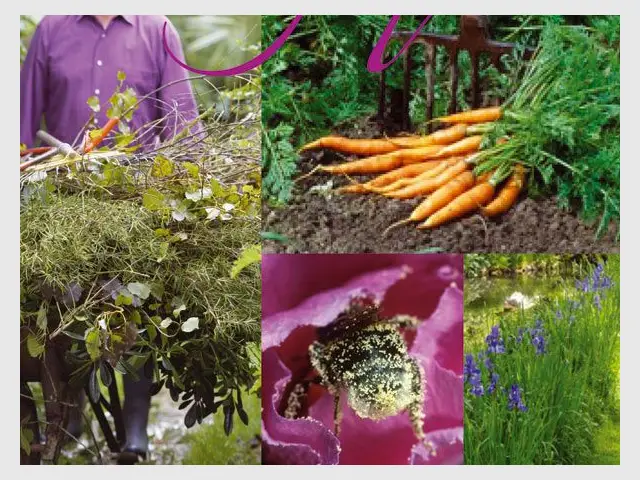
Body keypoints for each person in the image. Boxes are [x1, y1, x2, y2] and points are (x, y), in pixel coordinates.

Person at [20, 15, 201, 464]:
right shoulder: (52, 30)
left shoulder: (158, 31)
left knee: (137, 303)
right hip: (59, 199)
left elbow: (181, 124)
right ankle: (69, 413)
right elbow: (22, 123)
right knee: (62, 308)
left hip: (133, 199)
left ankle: (135, 433)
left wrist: (196, 192)